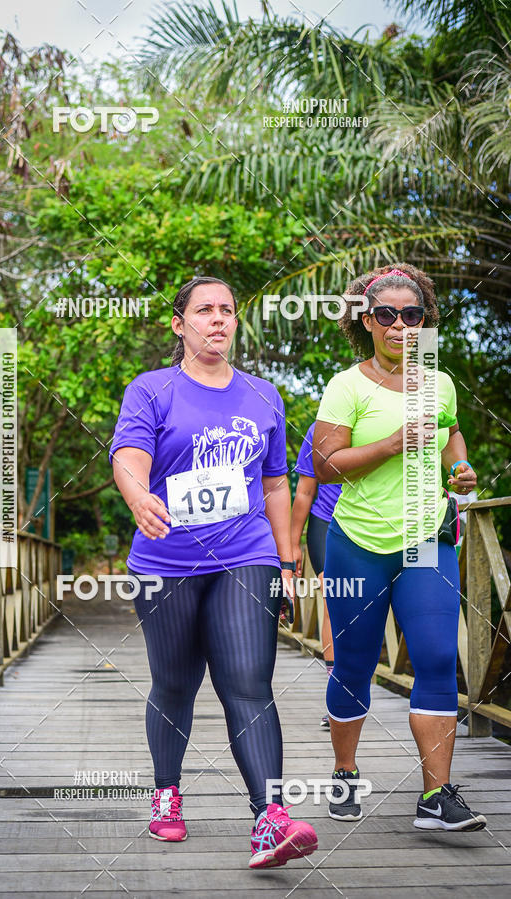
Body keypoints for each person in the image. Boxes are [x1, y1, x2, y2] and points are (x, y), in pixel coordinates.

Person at [110, 276, 318, 868]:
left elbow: (275, 482)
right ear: (180, 325)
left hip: (246, 555)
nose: (218, 320)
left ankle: (269, 818)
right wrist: (137, 497)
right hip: (165, 561)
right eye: (205, 310)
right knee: (174, 684)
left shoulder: (263, 395)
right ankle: (168, 794)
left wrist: (285, 558)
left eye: (227, 310)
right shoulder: (152, 390)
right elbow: (128, 458)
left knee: (248, 681)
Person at [313, 263, 487, 832]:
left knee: (438, 658)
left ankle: (435, 797)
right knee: (355, 665)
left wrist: (458, 466)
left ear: (423, 323)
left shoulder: (438, 379)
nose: (398, 324)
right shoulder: (347, 385)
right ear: (366, 321)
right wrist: (389, 444)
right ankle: (344, 772)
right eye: (385, 314)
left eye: (410, 315)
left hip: (424, 540)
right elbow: (324, 464)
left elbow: (450, 431)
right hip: (359, 543)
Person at [291, 421, 341, 728]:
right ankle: (337, 698)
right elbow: (305, 490)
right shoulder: (320, 428)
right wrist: (292, 544)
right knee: (334, 598)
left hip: (378, 527)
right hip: (326, 523)